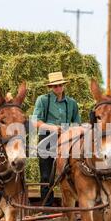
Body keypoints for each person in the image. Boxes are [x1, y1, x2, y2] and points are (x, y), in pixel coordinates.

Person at [32, 71, 81, 206]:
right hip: (47, 138)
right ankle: (47, 205)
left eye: (60, 85)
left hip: (66, 139)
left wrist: (70, 132)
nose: (58, 88)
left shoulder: (72, 104)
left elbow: (77, 124)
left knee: (71, 171)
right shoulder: (43, 100)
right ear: (50, 88)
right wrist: (53, 128)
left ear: (64, 86)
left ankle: (74, 201)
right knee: (47, 175)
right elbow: (35, 122)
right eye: (55, 86)